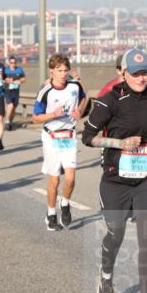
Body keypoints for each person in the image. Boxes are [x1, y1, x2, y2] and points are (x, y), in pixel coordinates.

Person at [81, 48, 147, 293]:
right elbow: (88, 137)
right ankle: (106, 276)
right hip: (114, 179)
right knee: (116, 232)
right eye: (135, 73)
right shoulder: (110, 101)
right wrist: (120, 144)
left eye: (144, 72)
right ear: (122, 73)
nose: (141, 78)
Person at [32, 54, 87, 231]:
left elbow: (84, 98)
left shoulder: (75, 85)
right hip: (51, 137)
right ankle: (50, 214)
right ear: (52, 72)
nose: (63, 74)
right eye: (59, 71)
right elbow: (35, 118)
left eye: (65, 70)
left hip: (69, 136)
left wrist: (79, 110)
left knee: (70, 179)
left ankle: (65, 203)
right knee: (55, 180)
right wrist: (52, 115)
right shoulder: (46, 91)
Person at [3, 55, 26, 129]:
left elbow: (24, 79)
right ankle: (6, 121)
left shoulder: (19, 70)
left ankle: (10, 121)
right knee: (10, 105)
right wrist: (7, 80)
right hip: (7, 90)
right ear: (9, 63)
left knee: (14, 108)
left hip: (16, 91)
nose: (13, 64)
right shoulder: (5, 70)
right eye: (11, 63)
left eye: (14, 62)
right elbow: (1, 79)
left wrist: (19, 81)